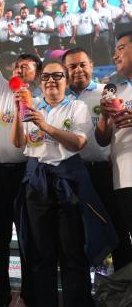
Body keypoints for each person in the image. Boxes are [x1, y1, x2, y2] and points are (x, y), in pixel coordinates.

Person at [12, 60, 116, 307]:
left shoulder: (76, 107)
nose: (51, 80)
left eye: (57, 76)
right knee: (41, 254)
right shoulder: (32, 105)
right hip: (37, 184)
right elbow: (18, 143)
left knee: (72, 253)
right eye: (46, 77)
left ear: (66, 81)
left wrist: (44, 125)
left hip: (68, 183)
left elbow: (78, 143)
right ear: (40, 82)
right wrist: (18, 112)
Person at [0, 0, 41, 307]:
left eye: (26, 66)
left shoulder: (40, 101)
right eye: (17, 65)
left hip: (26, 174)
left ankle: (29, 294)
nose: (19, 68)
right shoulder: (3, 89)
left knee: (28, 239)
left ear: (37, 74)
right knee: (0, 239)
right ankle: (0, 295)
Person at [63, 47, 132, 270]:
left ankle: (122, 285)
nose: (78, 70)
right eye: (72, 66)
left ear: (91, 66)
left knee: (117, 230)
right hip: (70, 174)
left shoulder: (108, 94)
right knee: (74, 235)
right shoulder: (60, 99)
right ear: (65, 70)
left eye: (82, 64)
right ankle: (81, 288)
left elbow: (109, 136)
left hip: (103, 172)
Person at [96, 30, 132, 265]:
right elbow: (102, 140)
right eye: (114, 50)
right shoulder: (117, 91)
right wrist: (104, 117)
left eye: (121, 48)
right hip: (123, 180)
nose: (115, 55)